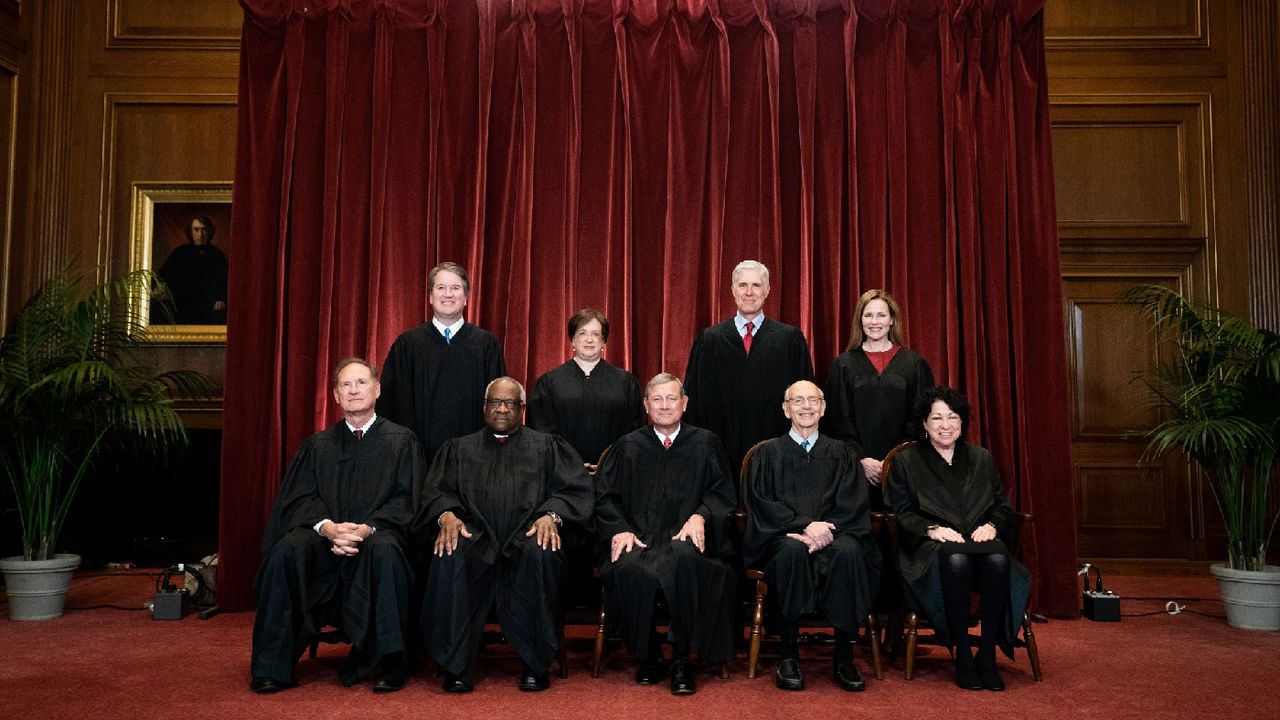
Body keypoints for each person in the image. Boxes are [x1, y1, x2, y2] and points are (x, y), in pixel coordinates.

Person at [250, 358, 423, 694]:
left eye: (361, 382)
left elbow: (407, 501)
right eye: (346, 385)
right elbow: (298, 499)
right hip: (324, 542)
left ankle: (391, 662)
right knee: (287, 551)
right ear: (335, 396)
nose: (354, 390)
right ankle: (271, 666)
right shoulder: (318, 445)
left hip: (375, 539)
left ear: (377, 389)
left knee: (387, 551)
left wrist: (366, 529)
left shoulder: (402, 442)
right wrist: (328, 528)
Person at [417, 377, 593, 693]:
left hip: (526, 537)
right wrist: (446, 515)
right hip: (476, 538)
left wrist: (550, 516)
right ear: (484, 407)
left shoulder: (547, 447)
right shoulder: (459, 449)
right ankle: (456, 664)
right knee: (449, 551)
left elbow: (575, 490)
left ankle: (534, 663)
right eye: (495, 402)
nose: (501, 409)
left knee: (543, 552)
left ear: (522, 408)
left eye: (510, 403)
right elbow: (435, 491)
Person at [594, 373, 737, 696]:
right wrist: (620, 529)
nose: (665, 405)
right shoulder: (628, 446)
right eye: (657, 399)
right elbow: (605, 497)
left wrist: (701, 516)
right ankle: (649, 653)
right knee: (629, 568)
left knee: (685, 562)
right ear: (646, 405)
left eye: (672, 398)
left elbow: (721, 494)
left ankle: (682, 659)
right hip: (640, 538)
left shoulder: (705, 443)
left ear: (685, 404)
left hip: (687, 539)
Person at [884, 386, 1031, 692]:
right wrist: (931, 530)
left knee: (997, 558)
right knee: (956, 559)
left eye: (952, 417)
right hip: (930, 547)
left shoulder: (981, 458)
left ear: (962, 422)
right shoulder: (907, 461)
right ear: (924, 424)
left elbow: (1002, 506)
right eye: (936, 418)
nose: (945, 424)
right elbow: (903, 513)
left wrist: (993, 524)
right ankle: (962, 653)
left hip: (980, 540)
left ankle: (987, 653)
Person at [743, 381, 880, 692]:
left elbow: (853, 502)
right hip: (784, 534)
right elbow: (761, 503)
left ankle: (844, 657)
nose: (805, 407)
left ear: (823, 408)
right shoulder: (767, 454)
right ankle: (788, 656)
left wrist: (824, 529)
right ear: (785, 408)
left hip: (836, 533)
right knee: (791, 553)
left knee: (849, 553)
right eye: (797, 400)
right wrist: (806, 525)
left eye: (812, 401)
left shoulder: (842, 453)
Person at [684, 259, 814, 476]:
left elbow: (806, 400)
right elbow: (694, 402)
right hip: (720, 451)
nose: (749, 292)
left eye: (756, 285)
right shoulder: (709, 340)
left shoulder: (789, 339)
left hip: (777, 454)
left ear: (767, 290)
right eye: (743, 285)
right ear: (733, 290)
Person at [377, 262, 506, 461]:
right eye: (441, 288)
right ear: (430, 296)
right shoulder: (407, 345)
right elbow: (390, 404)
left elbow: (499, 404)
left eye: (455, 288)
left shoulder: (486, 345)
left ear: (465, 298)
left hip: (474, 459)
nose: (448, 294)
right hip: (417, 458)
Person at [822, 289, 934, 506]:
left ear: (892, 320)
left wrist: (891, 461)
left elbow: (921, 420)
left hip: (903, 468)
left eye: (881, 315)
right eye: (868, 315)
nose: (875, 322)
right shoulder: (843, 364)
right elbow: (837, 420)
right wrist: (861, 460)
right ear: (860, 320)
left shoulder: (914, 364)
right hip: (853, 470)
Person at [527, 308, 644, 471]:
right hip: (563, 475)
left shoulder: (625, 382)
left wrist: (608, 464)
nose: (589, 339)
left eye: (596, 334)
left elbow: (634, 431)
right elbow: (541, 433)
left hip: (613, 474)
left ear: (604, 342)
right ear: (572, 340)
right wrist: (569, 464)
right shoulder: (549, 383)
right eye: (582, 333)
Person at [156, 215, 228, 324]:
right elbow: (163, 276)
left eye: (204, 229)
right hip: (183, 305)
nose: (200, 234)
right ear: (191, 232)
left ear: (210, 232)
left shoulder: (218, 256)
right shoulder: (179, 253)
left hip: (209, 306)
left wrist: (221, 298)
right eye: (196, 230)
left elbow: (226, 282)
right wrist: (159, 287)